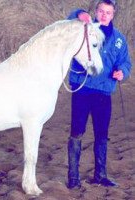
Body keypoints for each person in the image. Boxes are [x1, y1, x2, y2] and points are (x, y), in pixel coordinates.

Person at [66, 0, 132, 189]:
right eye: (101, 11)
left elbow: (125, 62)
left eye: (108, 12)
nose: (104, 15)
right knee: (77, 132)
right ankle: (73, 178)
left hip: (104, 92)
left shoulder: (119, 39)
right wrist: (79, 14)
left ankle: (100, 175)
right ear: (95, 12)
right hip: (82, 89)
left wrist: (122, 72)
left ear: (113, 15)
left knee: (101, 134)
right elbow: (69, 20)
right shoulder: (83, 29)